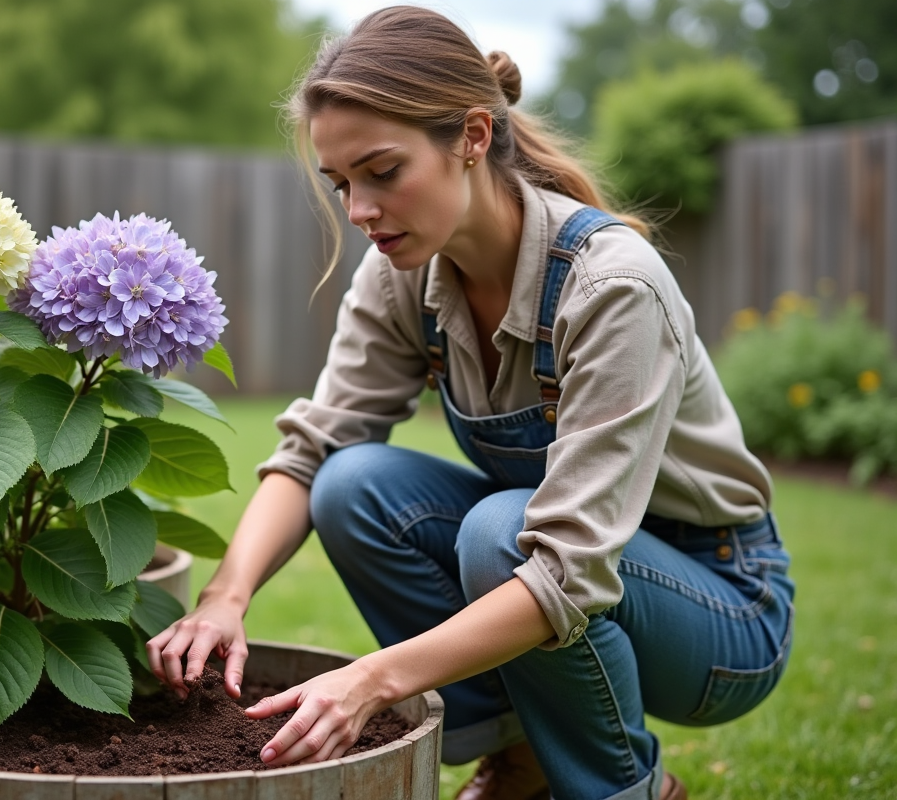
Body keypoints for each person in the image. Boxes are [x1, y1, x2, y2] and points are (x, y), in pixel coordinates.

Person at [146, 6, 795, 799]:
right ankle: (518, 759)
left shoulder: (611, 288)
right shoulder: (404, 278)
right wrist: (224, 597)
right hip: (574, 568)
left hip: (720, 607)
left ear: (474, 137)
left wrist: (372, 681)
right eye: (341, 182)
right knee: (353, 485)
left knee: (503, 534)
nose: (359, 211)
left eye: (383, 172)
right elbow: (315, 451)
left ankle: (628, 789)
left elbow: (565, 564)